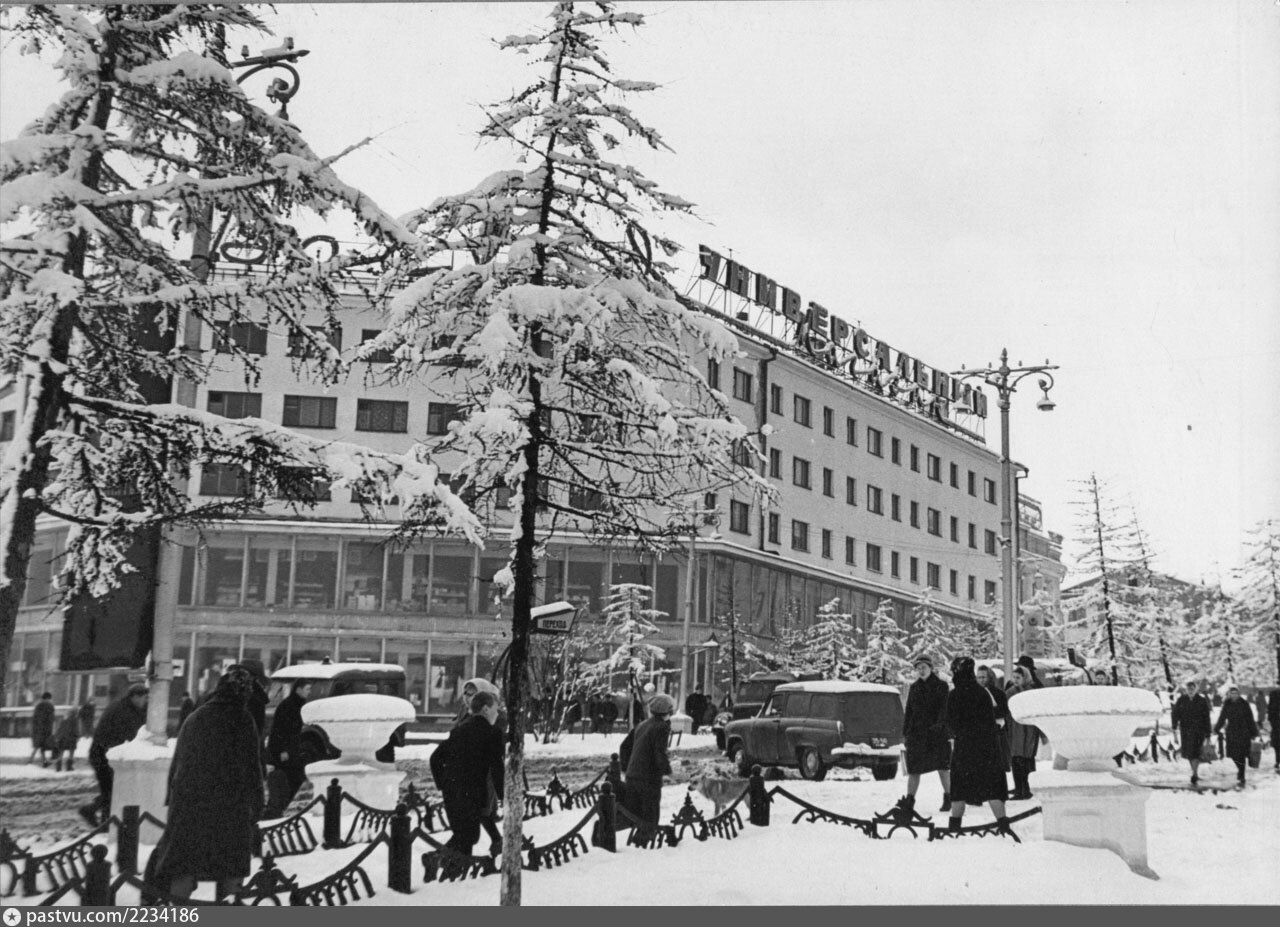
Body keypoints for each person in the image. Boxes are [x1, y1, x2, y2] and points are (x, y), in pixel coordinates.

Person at [149, 666, 264, 901]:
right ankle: (229, 907)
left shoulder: (196, 716)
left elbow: (178, 762)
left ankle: (178, 909)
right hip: (229, 806)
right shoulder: (242, 719)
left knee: (184, 863)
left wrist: (173, 799)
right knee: (230, 863)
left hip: (189, 803)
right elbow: (252, 767)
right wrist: (257, 804)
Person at [430, 690, 504, 858]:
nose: (497, 713)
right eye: (495, 709)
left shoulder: (459, 730)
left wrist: (443, 784)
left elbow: (435, 758)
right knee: (469, 837)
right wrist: (504, 796)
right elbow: (497, 768)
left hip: (452, 792)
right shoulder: (492, 733)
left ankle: (444, 864)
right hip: (472, 794)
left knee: (464, 837)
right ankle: (436, 858)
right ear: (486, 709)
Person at [944, 656, 1011, 834]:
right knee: (992, 787)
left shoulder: (955, 694)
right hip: (987, 748)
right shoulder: (982, 692)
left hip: (964, 748)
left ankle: (955, 827)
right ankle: (1003, 824)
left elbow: (951, 722)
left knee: (959, 788)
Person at [79, 684, 148, 827]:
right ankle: (99, 818)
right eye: (144, 698)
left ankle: (102, 820)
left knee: (111, 790)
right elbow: (130, 735)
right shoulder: (124, 711)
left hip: (103, 753)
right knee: (112, 791)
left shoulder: (123, 707)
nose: (145, 701)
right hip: (104, 755)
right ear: (135, 697)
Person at [894, 655, 951, 817]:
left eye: (924, 667)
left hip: (936, 734)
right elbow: (909, 711)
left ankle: (949, 797)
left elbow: (944, 709)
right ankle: (910, 800)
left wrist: (939, 726)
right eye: (918, 668)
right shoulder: (914, 687)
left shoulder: (941, 686)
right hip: (917, 735)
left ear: (931, 668)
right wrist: (906, 732)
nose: (921, 670)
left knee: (943, 767)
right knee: (914, 769)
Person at [623, 693, 674, 842]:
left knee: (639, 813)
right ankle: (646, 843)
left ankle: (639, 839)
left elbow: (625, 747)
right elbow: (659, 753)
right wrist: (668, 771)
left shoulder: (642, 724)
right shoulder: (662, 727)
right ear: (667, 711)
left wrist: (627, 768)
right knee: (651, 812)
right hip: (648, 778)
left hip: (633, 776)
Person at [264, 679, 312, 819]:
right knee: (287, 779)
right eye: (307, 689)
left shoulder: (298, 704)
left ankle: (277, 808)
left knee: (292, 779)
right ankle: (275, 809)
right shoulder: (288, 705)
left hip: (292, 749)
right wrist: (282, 750)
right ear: (298, 689)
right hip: (285, 751)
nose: (309, 692)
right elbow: (280, 729)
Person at [1005, 655, 1045, 800]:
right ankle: (1020, 788)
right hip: (1016, 728)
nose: (1015, 680)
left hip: (1029, 728)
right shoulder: (1012, 689)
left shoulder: (1034, 687)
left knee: (1027, 758)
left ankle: (1026, 788)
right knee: (1018, 758)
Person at [1212, 684, 1259, 787]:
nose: (1234, 695)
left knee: (1241, 754)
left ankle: (1242, 774)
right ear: (1229, 694)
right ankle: (1240, 769)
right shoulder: (1227, 703)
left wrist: (1254, 732)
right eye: (1232, 693)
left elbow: (1250, 718)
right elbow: (1222, 717)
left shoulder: (1244, 703)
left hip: (1244, 732)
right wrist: (1216, 728)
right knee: (1233, 754)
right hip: (1232, 732)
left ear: (1238, 694)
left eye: (1235, 693)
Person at [1171, 678, 1212, 786]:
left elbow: (1206, 717)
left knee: (1196, 752)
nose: (1190, 691)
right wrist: (1174, 726)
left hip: (1199, 731)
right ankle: (1195, 772)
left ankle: (1194, 773)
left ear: (1195, 689)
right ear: (1186, 690)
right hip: (1186, 731)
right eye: (1189, 689)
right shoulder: (1182, 700)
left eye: (1192, 689)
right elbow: (1175, 714)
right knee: (1189, 753)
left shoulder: (1201, 700)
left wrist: (1208, 733)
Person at [976, 665, 1012, 774]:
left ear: (990, 677)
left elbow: (1004, 711)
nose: (981, 680)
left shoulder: (998, 693)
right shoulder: (972, 693)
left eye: (983, 677)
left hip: (996, 732)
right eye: (979, 677)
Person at [30, 691, 55, 766]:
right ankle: (30, 761)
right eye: (50, 698)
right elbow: (50, 719)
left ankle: (44, 761)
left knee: (40, 746)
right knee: (40, 746)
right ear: (48, 698)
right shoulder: (49, 706)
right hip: (45, 729)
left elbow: (35, 718)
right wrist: (49, 729)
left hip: (37, 728)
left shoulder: (38, 705)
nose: (50, 700)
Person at [1268, 686, 1280, 771]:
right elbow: (1270, 711)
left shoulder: (1273, 694)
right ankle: (1278, 761)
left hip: (1276, 725)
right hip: (1276, 724)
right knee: (1277, 744)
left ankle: (1278, 761)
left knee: (1277, 744)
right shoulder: (1273, 694)